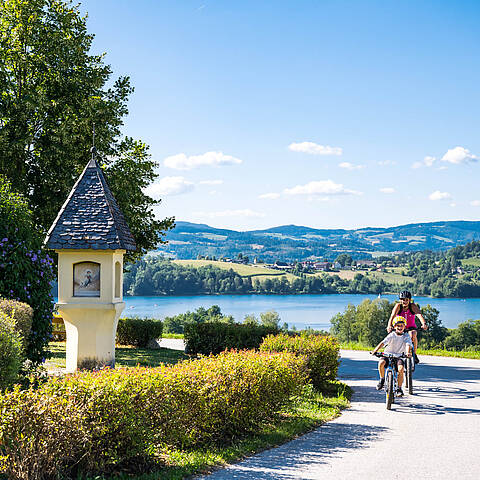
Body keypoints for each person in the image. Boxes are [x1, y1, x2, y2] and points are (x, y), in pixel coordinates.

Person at [371, 316, 413, 396]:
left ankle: (399, 388)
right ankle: (382, 379)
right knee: (381, 363)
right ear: (394, 327)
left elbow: (408, 344)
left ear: (405, 326)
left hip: (399, 356)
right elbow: (383, 343)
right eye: (398, 325)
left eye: (402, 325)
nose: (400, 327)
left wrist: (408, 353)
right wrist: (375, 350)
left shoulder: (406, 336)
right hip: (387, 354)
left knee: (401, 369)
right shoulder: (391, 335)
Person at [387, 290, 427, 364]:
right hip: (399, 327)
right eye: (402, 300)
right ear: (400, 300)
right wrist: (389, 325)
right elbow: (392, 316)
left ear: (409, 300)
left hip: (411, 327)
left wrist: (423, 323)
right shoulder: (398, 306)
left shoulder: (412, 306)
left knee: (413, 334)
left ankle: (414, 354)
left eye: (406, 300)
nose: (404, 301)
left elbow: (419, 315)